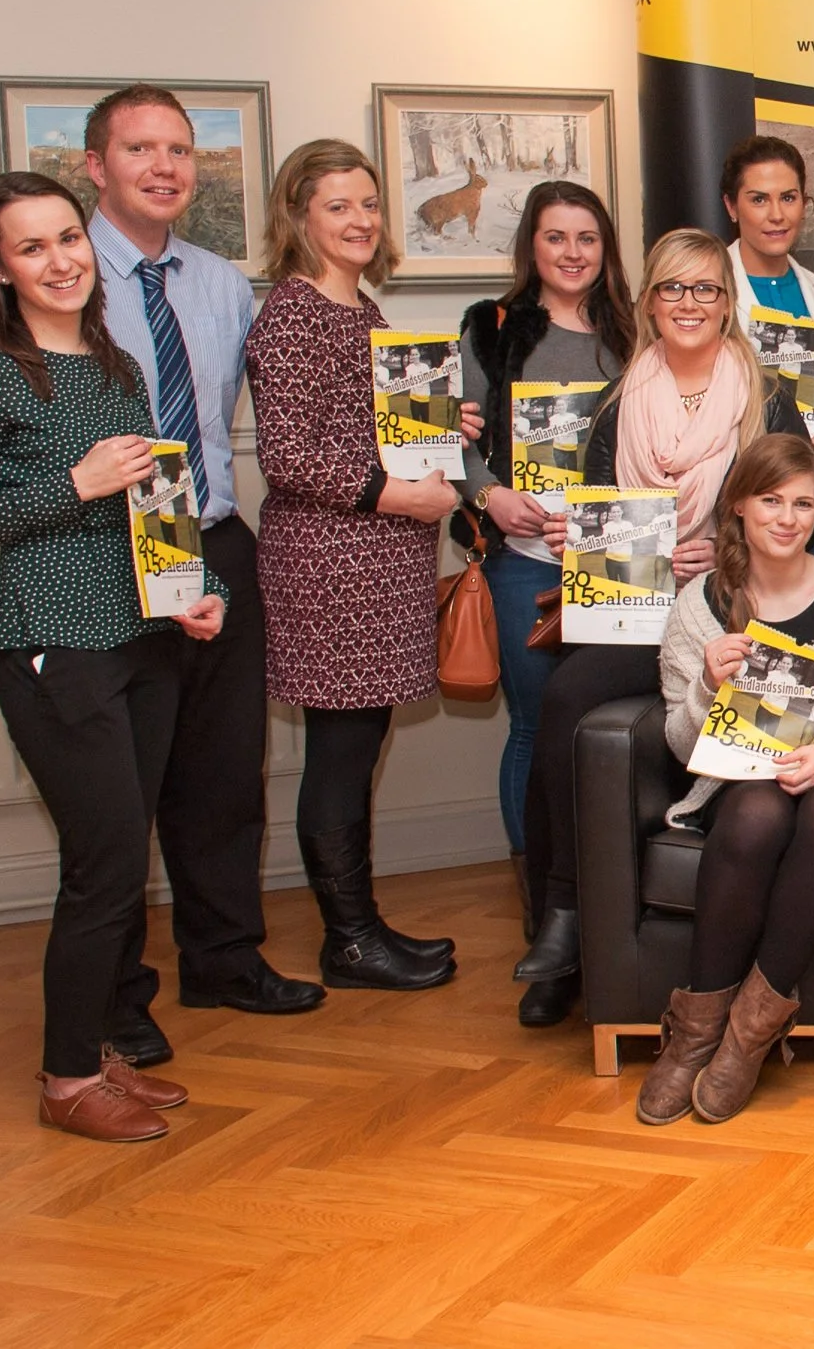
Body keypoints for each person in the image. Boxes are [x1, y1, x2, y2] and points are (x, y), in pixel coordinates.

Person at [0, 173, 228, 1141]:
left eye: (68, 238)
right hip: (55, 645)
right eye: (32, 247)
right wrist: (76, 480)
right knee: (100, 866)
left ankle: (96, 1045)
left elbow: (149, 506)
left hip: (143, 639)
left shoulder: (112, 364)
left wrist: (188, 595)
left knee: (120, 857)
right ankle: (64, 1080)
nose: (61, 260)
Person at [77, 86, 323, 1056]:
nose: (165, 166)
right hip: (108, 548)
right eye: (141, 148)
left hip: (213, 538)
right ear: (97, 165)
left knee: (223, 772)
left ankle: (224, 959)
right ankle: (119, 998)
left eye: (179, 149)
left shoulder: (222, 283)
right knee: (122, 787)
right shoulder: (66, 278)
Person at [512, 229, 811, 998]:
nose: (688, 302)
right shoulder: (620, 399)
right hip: (633, 610)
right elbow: (596, 517)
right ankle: (565, 914)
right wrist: (590, 538)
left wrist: (723, 547)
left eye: (705, 288)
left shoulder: (767, 396)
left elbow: (795, 514)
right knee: (568, 697)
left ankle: (571, 919)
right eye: (673, 287)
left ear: (726, 303)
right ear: (649, 301)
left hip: (732, 605)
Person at [247, 140, 478, 992]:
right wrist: (399, 494)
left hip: (378, 562)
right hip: (332, 566)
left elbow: (364, 425)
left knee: (361, 743)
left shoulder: (361, 307)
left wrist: (448, 424)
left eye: (369, 203)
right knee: (341, 752)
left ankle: (362, 924)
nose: (360, 219)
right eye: (338, 205)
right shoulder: (296, 312)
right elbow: (289, 455)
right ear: (299, 216)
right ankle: (347, 939)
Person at [638, 433, 814, 1125]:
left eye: (803, 502)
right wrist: (705, 684)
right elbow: (680, 742)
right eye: (771, 500)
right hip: (746, 777)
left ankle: (748, 1033)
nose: (787, 518)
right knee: (757, 810)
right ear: (738, 506)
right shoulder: (697, 607)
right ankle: (698, 1027)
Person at [456, 180, 636, 1023]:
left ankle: (605, 915)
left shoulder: (636, 333)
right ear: (531, 244)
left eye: (588, 238)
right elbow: (448, 442)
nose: (572, 252)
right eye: (556, 237)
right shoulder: (491, 328)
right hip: (526, 561)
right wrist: (490, 496)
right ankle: (547, 932)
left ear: (607, 249)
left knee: (610, 727)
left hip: (624, 566)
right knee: (534, 728)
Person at [722, 135, 814, 560]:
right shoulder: (709, 293)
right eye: (759, 199)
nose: (776, 215)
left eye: (789, 197)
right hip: (738, 511)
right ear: (731, 207)